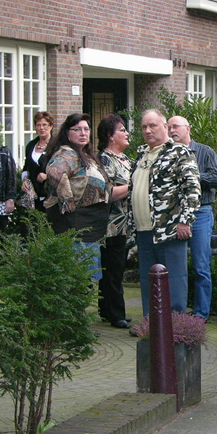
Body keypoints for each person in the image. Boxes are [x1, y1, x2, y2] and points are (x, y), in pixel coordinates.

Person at [127, 109, 200, 316]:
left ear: (165, 127)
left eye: (153, 126)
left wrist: (185, 221)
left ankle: (175, 330)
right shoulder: (142, 155)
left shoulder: (179, 152)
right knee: (148, 282)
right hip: (143, 231)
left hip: (169, 231)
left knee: (174, 281)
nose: (148, 130)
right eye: (144, 127)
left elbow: (193, 190)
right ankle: (151, 328)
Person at [167, 115, 217, 321]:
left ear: (188, 129)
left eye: (176, 126)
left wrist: (192, 176)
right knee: (176, 266)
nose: (172, 130)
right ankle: (176, 312)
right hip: (173, 214)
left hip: (200, 213)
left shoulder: (204, 151)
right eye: (169, 127)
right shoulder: (167, 154)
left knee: (201, 265)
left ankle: (201, 314)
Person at [44, 113, 115, 280]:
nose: (83, 133)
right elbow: (54, 173)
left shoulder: (85, 155)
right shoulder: (67, 154)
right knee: (80, 282)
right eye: (77, 129)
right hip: (77, 230)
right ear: (67, 133)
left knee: (87, 282)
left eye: (86, 129)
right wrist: (67, 202)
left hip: (91, 230)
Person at [97, 114, 133, 329]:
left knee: (116, 267)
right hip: (112, 224)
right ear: (110, 136)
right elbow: (107, 192)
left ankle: (107, 310)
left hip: (128, 222)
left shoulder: (127, 160)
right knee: (113, 268)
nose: (127, 133)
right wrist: (135, 186)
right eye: (122, 130)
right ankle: (116, 313)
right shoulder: (103, 160)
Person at [23, 111, 55, 212]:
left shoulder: (56, 146)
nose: (41, 128)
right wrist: (24, 180)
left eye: (45, 124)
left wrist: (47, 175)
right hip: (33, 196)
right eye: (38, 125)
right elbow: (26, 167)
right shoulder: (31, 145)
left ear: (51, 126)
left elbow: (63, 168)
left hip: (51, 195)